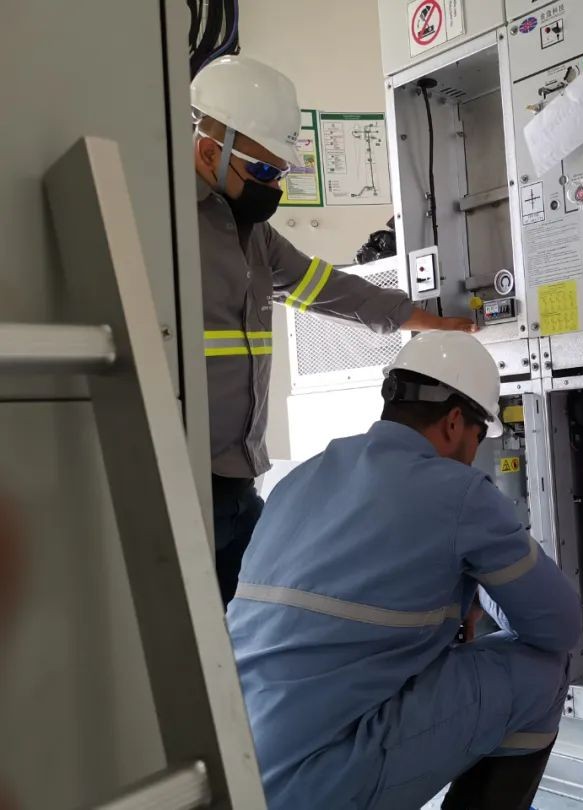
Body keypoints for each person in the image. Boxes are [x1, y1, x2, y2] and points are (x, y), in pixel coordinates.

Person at [226, 331, 582, 809]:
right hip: (318, 782)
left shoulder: (298, 478)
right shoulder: (459, 492)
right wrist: (480, 582)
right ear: (454, 422)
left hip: (238, 768)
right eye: (479, 437)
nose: (475, 453)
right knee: (545, 671)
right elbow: (559, 627)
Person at [190, 55, 475, 605]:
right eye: (266, 173)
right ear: (208, 153)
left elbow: (325, 287)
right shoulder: (167, 225)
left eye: (281, 173)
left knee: (258, 619)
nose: (275, 187)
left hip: (237, 479)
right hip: (183, 483)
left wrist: (429, 323)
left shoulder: (254, 235)